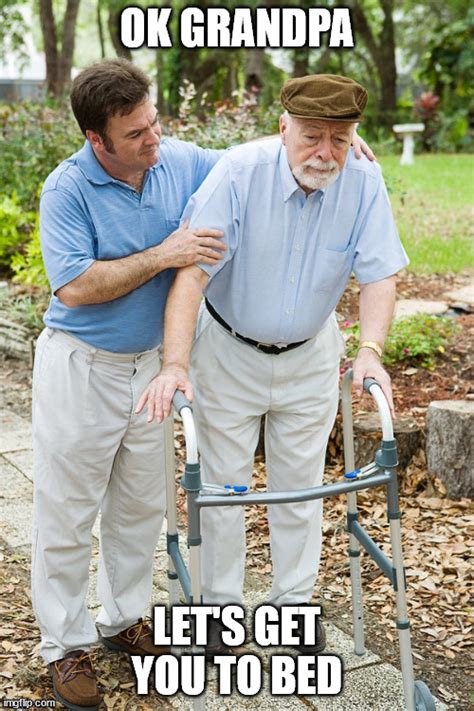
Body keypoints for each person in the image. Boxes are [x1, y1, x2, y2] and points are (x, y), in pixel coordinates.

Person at [33, 59, 373, 708]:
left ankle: (121, 618)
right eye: (135, 135)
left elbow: (267, 153)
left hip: (151, 368)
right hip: (83, 365)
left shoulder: (175, 159)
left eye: (155, 124)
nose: (153, 141)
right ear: (97, 140)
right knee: (68, 511)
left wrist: (335, 138)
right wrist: (167, 253)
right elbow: (75, 286)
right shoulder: (66, 190)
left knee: (138, 508)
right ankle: (64, 642)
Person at [137, 74, 409, 655]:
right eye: (312, 136)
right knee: (222, 486)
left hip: (310, 353)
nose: (325, 153)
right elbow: (193, 272)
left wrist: (370, 351)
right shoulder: (239, 173)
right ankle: (220, 613)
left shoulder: (362, 179)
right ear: (282, 128)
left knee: (300, 489)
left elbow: (380, 272)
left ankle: (293, 608)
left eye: (340, 139)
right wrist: (176, 363)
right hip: (229, 349)